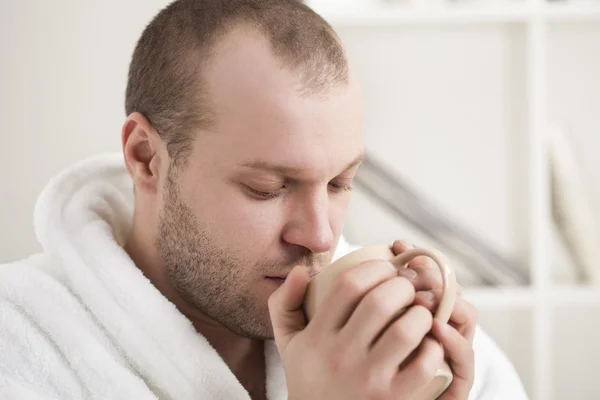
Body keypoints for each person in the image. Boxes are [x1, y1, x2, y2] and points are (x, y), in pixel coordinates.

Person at [0, 0, 529, 399]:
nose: (321, 235)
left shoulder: (403, 343)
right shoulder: (21, 340)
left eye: (341, 183)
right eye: (268, 188)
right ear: (146, 158)